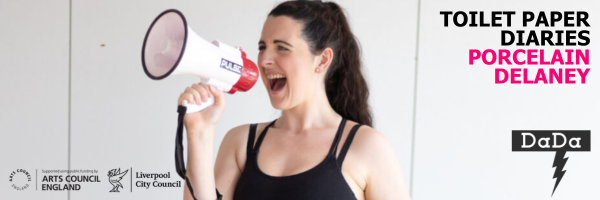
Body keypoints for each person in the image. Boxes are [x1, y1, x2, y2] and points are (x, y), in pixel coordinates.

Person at [178, 1, 411, 199]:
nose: (265, 60)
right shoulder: (240, 143)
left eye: (282, 48)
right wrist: (199, 132)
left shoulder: (367, 147)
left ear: (321, 61)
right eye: (262, 47)